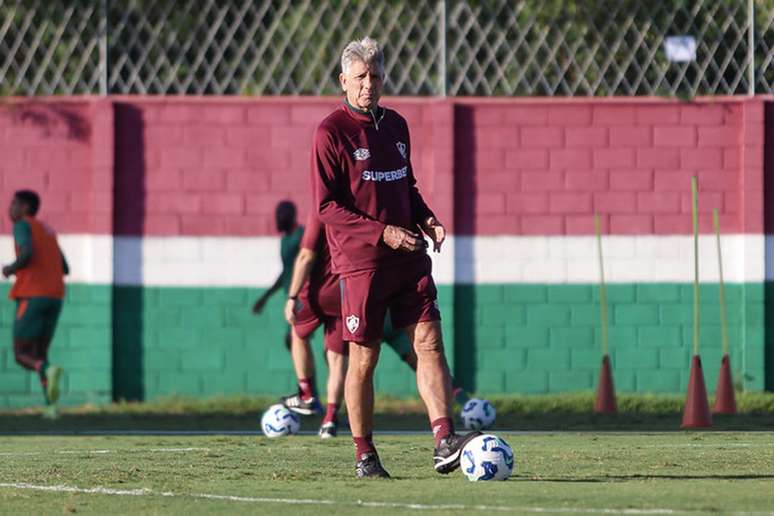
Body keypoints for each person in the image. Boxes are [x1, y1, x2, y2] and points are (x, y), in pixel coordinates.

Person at [313, 37, 479, 478]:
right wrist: (380, 232)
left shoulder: (396, 125)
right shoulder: (331, 133)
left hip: (408, 256)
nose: (370, 84)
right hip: (362, 263)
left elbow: (406, 185)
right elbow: (326, 206)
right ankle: (364, 452)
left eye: (377, 76)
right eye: (361, 77)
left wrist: (427, 218)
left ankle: (445, 438)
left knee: (429, 342)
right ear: (343, 80)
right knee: (364, 359)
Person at [2, 190, 68, 418]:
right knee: (40, 353)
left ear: (25, 208)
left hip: (32, 295)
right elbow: (65, 267)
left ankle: (45, 372)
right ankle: (51, 408)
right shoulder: (48, 231)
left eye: (14, 204)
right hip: (56, 296)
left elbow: (27, 252)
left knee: (22, 354)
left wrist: (11, 268)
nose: (9, 209)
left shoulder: (22, 225)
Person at [281, 212, 346, 439]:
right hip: (347, 294)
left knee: (298, 333)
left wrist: (291, 297)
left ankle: (307, 394)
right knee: (337, 359)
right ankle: (329, 420)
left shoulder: (322, 213)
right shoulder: (358, 213)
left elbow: (306, 256)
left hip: (318, 294)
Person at [252, 200, 304, 349]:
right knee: (292, 341)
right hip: (291, 298)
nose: (280, 218)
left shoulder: (302, 236)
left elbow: (307, 264)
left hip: (303, 296)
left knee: (295, 338)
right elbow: (286, 272)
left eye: (283, 215)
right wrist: (265, 297)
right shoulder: (284, 240)